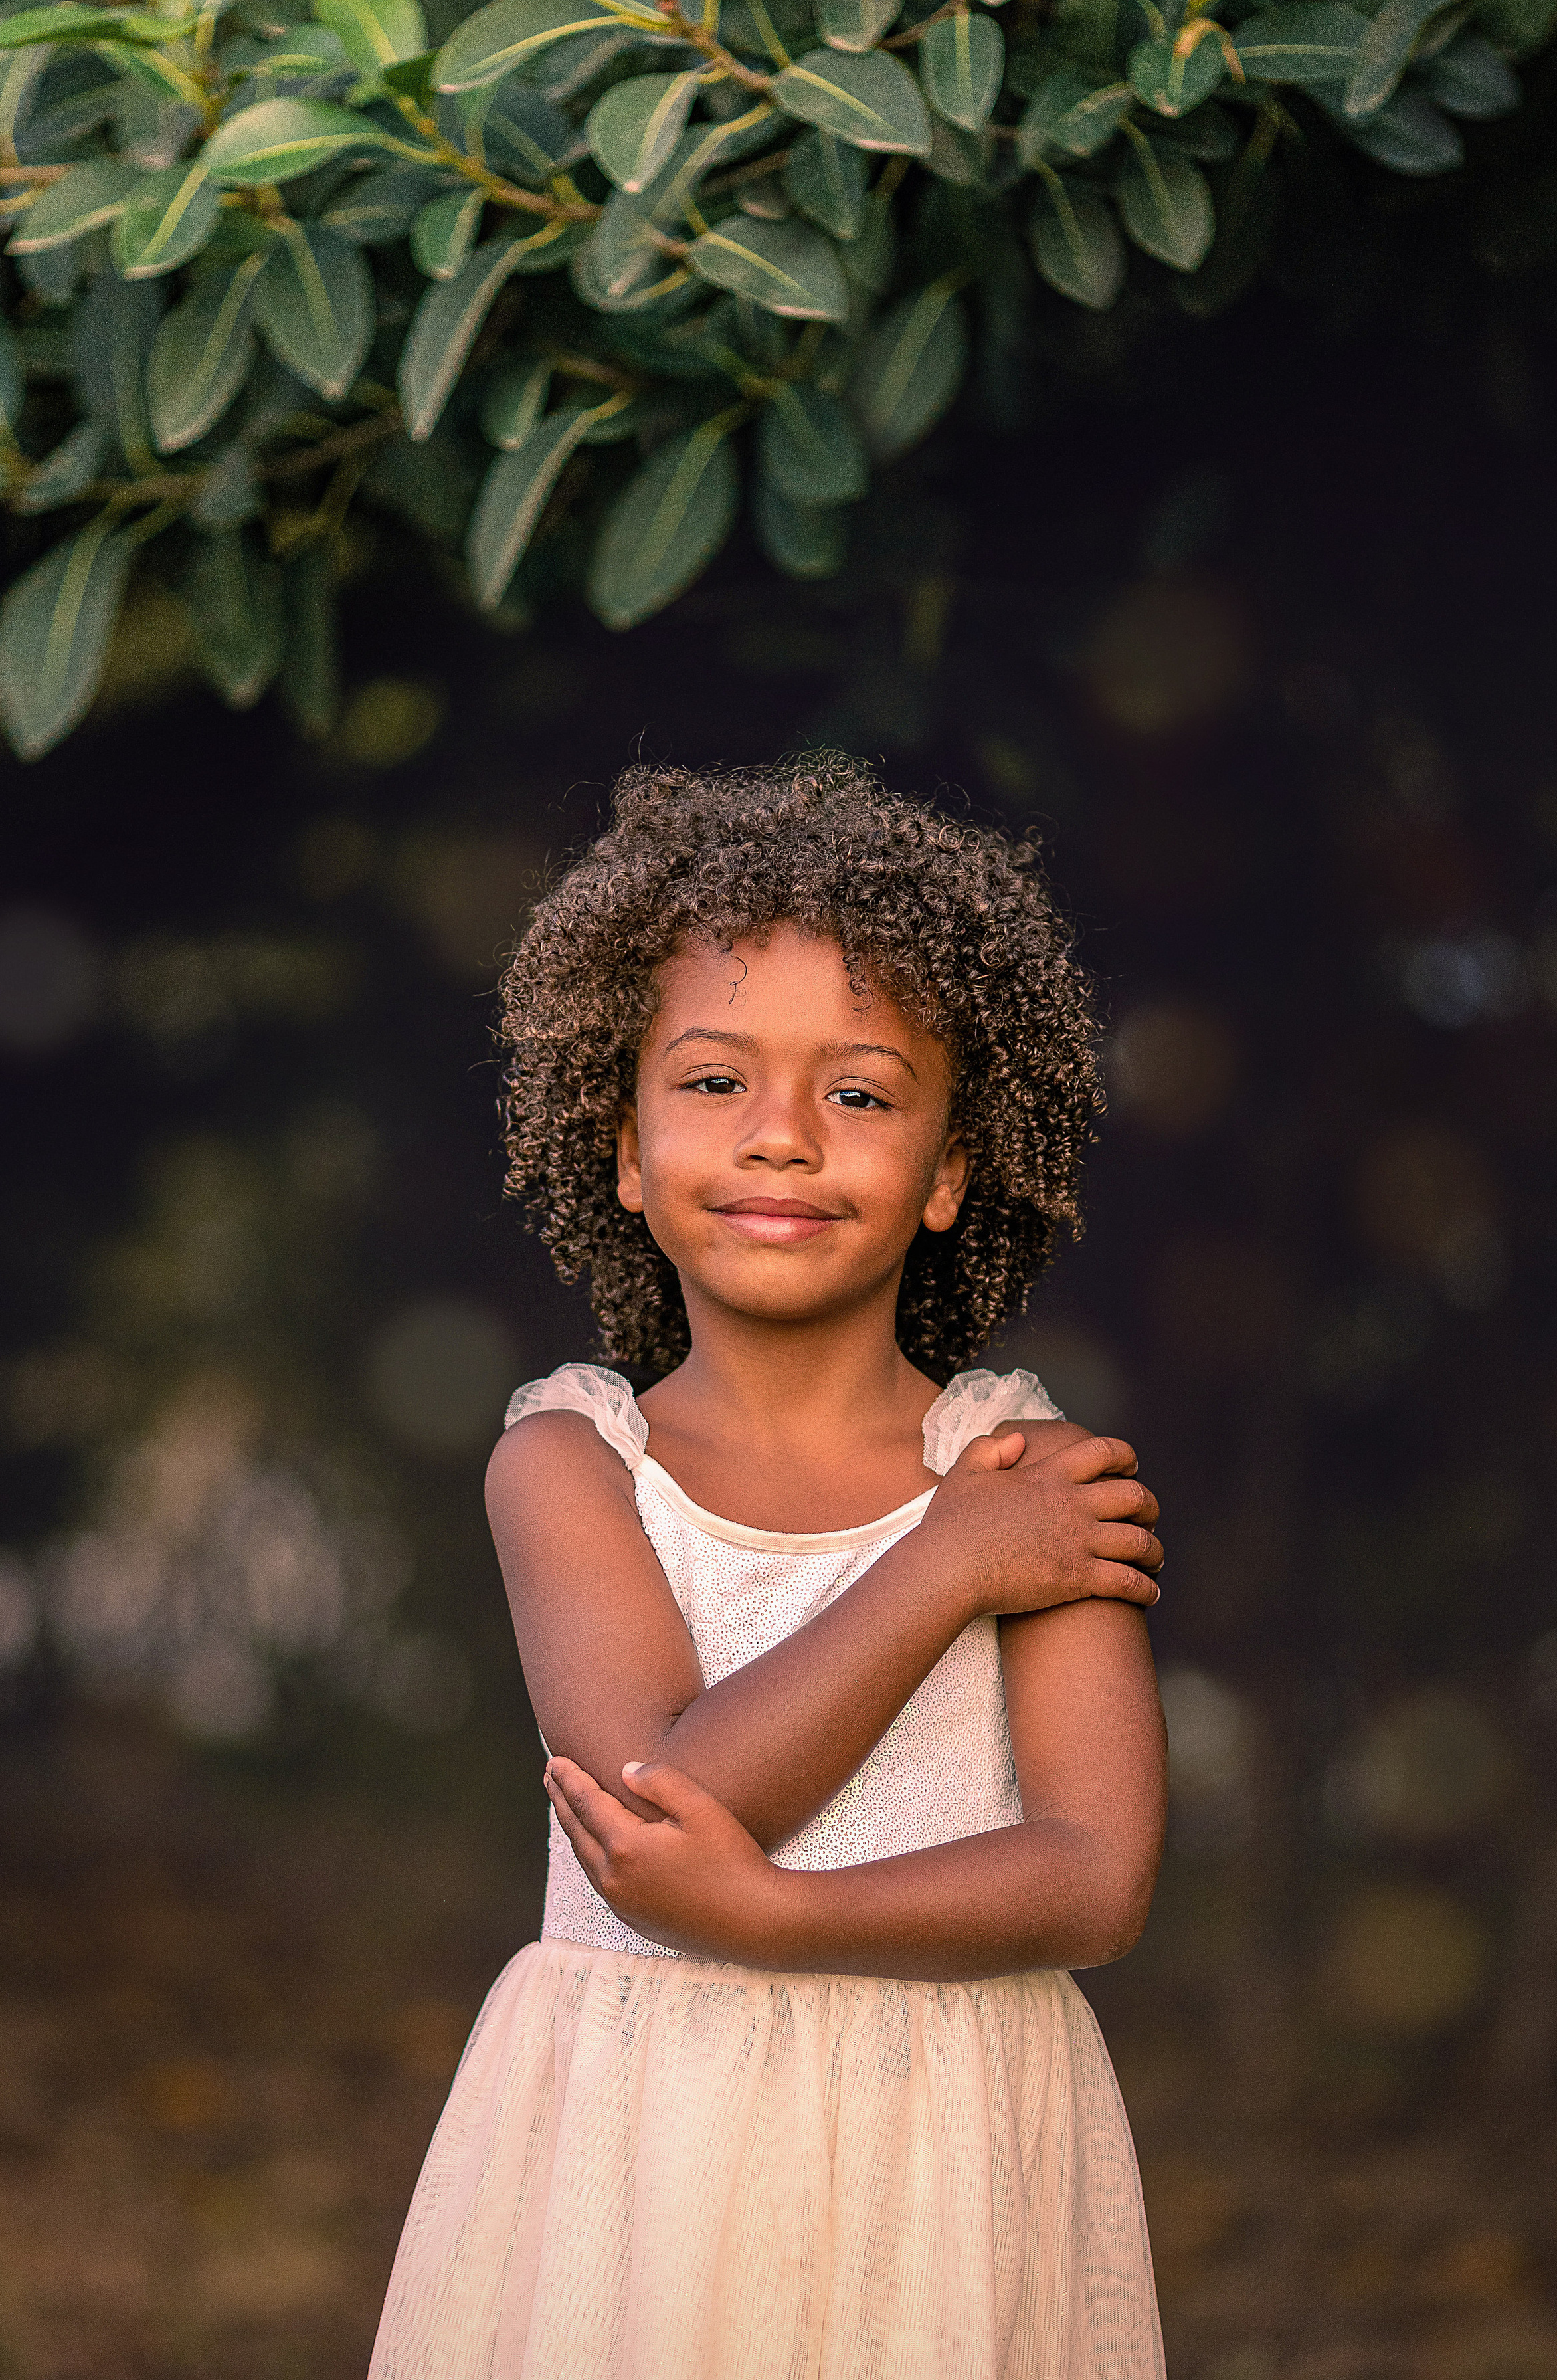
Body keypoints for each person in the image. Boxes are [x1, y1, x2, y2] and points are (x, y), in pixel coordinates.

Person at [369, 759, 1170, 2380]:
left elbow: (1094, 1878)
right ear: (621, 1145)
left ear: (948, 1173)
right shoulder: (572, 1464)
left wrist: (775, 1920)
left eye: (861, 1095)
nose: (783, 1139)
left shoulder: (1030, 1474)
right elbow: (669, 1806)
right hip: (639, 2147)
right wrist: (942, 1569)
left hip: (943, 2143)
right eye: (715, 1082)